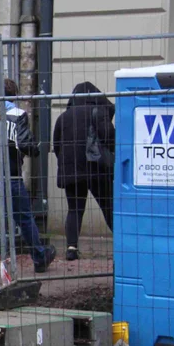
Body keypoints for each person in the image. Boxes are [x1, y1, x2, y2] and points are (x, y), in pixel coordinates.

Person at [0, 79, 56, 282]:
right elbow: (26, 144)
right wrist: (35, 148)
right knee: (24, 217)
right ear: (14, 95)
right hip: (11, 175)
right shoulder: (18, 115)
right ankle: (39, 257)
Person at [53, 81, 116, 260]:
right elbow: (110, 138)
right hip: (97, 170)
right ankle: (123, 243)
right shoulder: (99, 112)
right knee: (108, 206)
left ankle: (71, 248)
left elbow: (57, 145)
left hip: (72, 171)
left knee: (74, 210)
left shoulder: (63, 118)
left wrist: (68, 163)